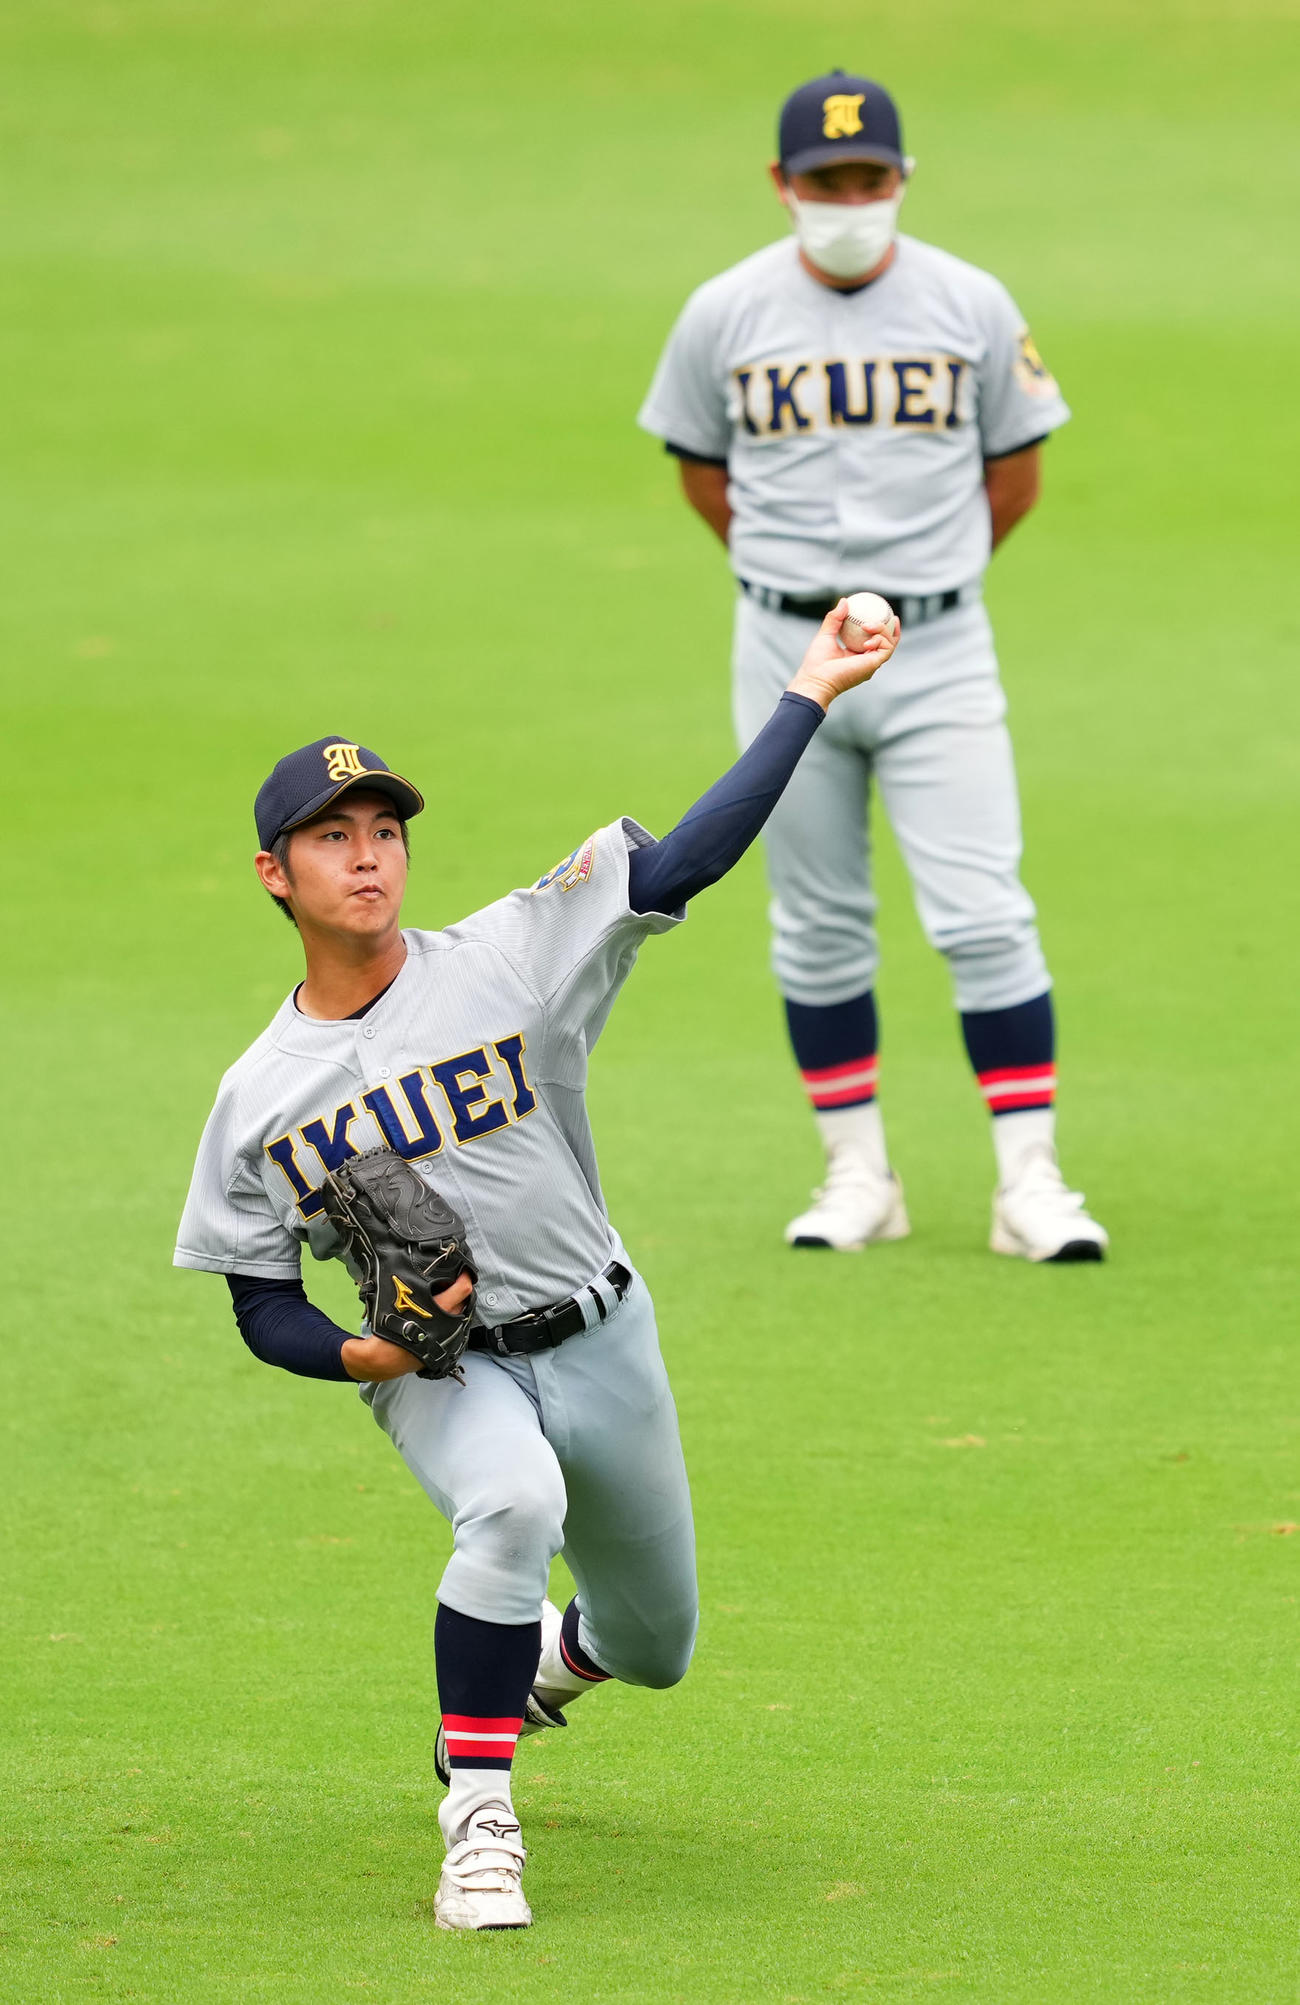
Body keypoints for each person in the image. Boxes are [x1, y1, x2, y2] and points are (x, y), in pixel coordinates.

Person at [173, 605, 898, 1932]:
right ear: (275, 873)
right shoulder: (260, 1095)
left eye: (384, 830)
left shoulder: (509, 956)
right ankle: (479, 1822)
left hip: (606, 1336)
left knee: (656, 1643)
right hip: (447, 1372)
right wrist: (366, 1354)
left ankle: (539, 1672)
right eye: (331, 837)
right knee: (507, 1508)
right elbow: (258, 1293)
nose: (367, 857)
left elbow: (687, 859)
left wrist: (808, 689)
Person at [638, 69, 1108, 1263]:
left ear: (902, 180)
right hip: (783, 649)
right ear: (781, 184)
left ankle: (1029, 1183)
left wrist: (926, 588)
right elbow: (700, 465)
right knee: (814, 922)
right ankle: (856, 1173)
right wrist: (791, 590)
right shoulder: (722, 312)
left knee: (985, 913)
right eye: (824, 181)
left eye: (869, 179)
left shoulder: (971, 303)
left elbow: (1015, 469)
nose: (848, 199)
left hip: (939, 646)